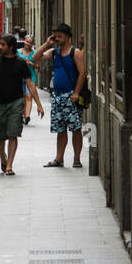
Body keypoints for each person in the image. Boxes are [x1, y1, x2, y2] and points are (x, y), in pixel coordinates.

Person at [0, 32, 44, 175]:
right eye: (0, 44)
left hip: (16, 103)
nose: (0, 46)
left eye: (3, 44)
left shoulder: (20, 63)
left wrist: (39, 104)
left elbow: (30, 84)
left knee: (13, 134)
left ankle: (9, 165)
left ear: (11, 47)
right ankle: (3, 157)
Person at [35, 21, 88, 167]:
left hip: (71, 96)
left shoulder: (75, 52)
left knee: (76, 128)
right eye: (55, 36)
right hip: (57, 96)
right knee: (60, 129)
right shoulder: (54, 53)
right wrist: (47, 44)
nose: (56, 38)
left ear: (67, 37)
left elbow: (83, 73)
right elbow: (36, 58)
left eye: (59, 36)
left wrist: (76, 93)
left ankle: (76, 158)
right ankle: (59, 158)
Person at [22, 34, 37, 124]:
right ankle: (21, 114)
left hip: (31, 77)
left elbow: (38, 66)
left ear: (32, 44)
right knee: (21, 97)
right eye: (27, 41)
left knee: (28, 96)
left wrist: (31, 63)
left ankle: (27, 116)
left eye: (30, 43)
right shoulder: (17, 52)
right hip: (19, 77)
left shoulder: (34, 53)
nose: (28, 44)